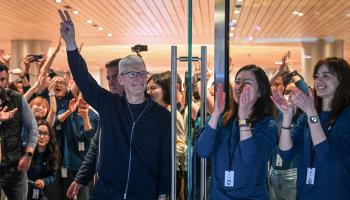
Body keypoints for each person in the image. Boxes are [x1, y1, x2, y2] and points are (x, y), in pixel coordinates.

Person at [58, 10, 171, 200]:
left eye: (142, 73)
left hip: (144, 193)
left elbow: (165, 159)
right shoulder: (109, 105)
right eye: (131, 74)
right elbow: (84, 80)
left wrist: (163, 193)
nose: (138, 78)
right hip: (106, 192)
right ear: (121, 79)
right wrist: (71, 43)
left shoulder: (161, 115)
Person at [272, 57, 350, 200]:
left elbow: (326, 155)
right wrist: (287, 117)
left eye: (326, 76)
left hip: (336, 193)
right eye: (316, 76)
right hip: (305, 193)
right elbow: (285, 153)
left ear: (342, 80)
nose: (318, 81)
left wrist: (311, 113)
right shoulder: (309, 114)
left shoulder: (346, 115)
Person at [197, 65, 277, 199]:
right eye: (238, 81)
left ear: (260, 92)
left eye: (247, 83)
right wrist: (216, 113)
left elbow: (249, 159)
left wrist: (243, 118)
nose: (240, 87)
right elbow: (202, 151)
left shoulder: (267, 125)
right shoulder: (223, 120)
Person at [66, 58, 124, 199]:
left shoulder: (143, 109)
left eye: (115, 77)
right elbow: (96, 146)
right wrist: (80, 178)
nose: (111, 82)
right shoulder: (108, 108)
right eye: (108, 78)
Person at [0, 61, 39, 200]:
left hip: (16, 168)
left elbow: (33, 128)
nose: (0, 84)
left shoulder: (17, 98)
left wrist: (28, 154)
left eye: (3, 79)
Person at [147, 71, 187, 199]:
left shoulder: (172, 115)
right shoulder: (152, 114)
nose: (149, 92)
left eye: (153, 88)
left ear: (165, 90)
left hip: (167, 174)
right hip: (151, 173)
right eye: (147, 89)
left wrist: (156, 150)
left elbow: (181, 146)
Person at [27, 120, 60, 200]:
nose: (41, 137)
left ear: (50, 137)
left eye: (45, 134)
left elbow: (53, 176)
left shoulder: (53, 154)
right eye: (39, 133)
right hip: (24, 189)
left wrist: (44, 182)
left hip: (41, 191)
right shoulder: (27, 151)